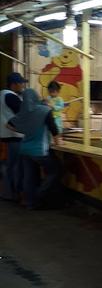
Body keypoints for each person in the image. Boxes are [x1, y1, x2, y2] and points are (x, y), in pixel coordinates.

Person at [9, 88, 61, 210]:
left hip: (24, 149)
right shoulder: (44, 110)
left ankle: (29, 202)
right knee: (55, 171)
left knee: (29, 177)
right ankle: (38, 194)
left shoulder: (24, 112)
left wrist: (23, 130)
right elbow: (53, 128)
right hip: (39, 150)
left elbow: (8, 124)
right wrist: (58, 142)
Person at [0, 72, 26, 201]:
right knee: (15, 167)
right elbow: (24, 113)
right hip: (14, 136)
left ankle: (6, 193)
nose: (23, 86)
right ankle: (14, 194)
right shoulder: (11, 96)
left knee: (6, 166)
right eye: (21, 83)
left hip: (4, 137)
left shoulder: (1, 95)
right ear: (14, 84)